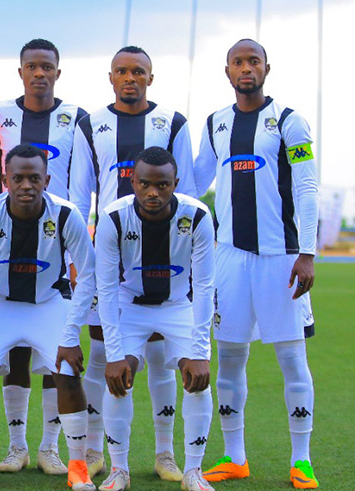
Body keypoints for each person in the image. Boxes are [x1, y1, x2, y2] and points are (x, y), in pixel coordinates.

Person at [194, 39, 319, 489]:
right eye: (238, 63)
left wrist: (306, 253)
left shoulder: (289, 121)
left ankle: (301, 460)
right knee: (228, 357)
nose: (246, 69)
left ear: (267, 68)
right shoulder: (216, 123)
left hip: (280, 258)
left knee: (291, 358)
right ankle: (235, 456)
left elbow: (306, 188)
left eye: (253, 62)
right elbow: (194, 180)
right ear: (226, 71)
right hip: (229, 259)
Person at [68, 45, 197, 480]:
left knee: (161, 360)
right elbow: (78, 193)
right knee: (104, 355)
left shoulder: (173, 123)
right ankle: (93, 450)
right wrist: (75, 255)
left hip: (165, 259)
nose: (130, 78)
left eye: (138, 71)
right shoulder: (91, 125)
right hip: (110, 258)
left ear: (150, 77)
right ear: (110, 77)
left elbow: (189, 193)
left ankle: (165, 454)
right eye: (122, 71)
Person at [0, 144, 97, 491]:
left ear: (47, 179)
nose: (26, 185)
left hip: (48, 302)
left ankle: (78, 466)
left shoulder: (65, 214)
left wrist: (72, 333)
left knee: (68, 373)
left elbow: (88, 274)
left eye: (34, 178)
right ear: (5, 180)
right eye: (18, 178)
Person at [0, 38, 87, 475]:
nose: (40, 73)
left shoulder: (76, 118)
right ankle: (16, 446)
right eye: (32, 66)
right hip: (8, 239)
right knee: (15, 356)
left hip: (57, 241)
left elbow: (83, 175)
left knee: (55, 355)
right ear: (21, 71)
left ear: (58, 72)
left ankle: (49, 447)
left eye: (47, 66)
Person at [96, 147, 215, 491]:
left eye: (162, 185)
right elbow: (105, 288)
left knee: (196, 379)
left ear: (175, 183)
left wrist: (200, 350)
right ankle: (119, 470)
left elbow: (205, 286)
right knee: (119, 379)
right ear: (132, 182)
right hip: (129, 305)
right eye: (145, 184)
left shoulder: (197, 216)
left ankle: (194, 470)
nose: (153, 192)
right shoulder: (114, 217)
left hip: (178, 305)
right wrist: (115, 355)